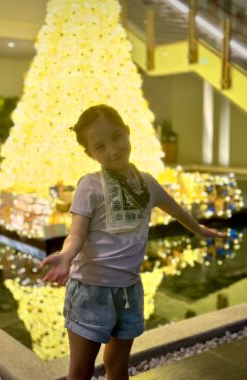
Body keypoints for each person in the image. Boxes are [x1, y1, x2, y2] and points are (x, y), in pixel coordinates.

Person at [40, 104, 227, 380]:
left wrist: (198, 228)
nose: (113, 149)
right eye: (100, 146)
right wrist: (65, 257)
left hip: (129, 291)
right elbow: (77, 234)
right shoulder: (90, 185)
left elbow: (176, 211)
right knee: (80, 371)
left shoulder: (147, 183)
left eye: (117, 137)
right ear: (89, 153)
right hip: (92, 291)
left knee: (117, 366)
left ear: (127, 132)